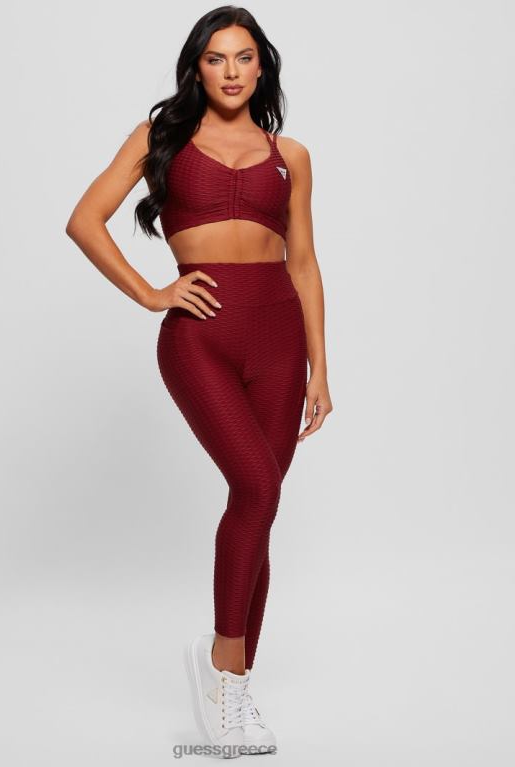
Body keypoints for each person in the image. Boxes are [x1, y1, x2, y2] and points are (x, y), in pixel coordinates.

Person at [66, 6, 332, 759]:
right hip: (200, 342)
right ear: (197, 68)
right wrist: (153, 293)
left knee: (261, 503)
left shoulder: (292, 155)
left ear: (261, 66)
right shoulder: (161, 138)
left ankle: (233, 687)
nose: (231, 71)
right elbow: (85, 219)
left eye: (244, 57)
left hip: (280, 343)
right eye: (216, 58)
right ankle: (221, 666)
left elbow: (304, 262)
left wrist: (321, 365)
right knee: (256, 485)